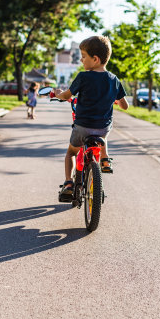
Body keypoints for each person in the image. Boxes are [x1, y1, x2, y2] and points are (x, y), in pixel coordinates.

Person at [54, 35, 129, 202]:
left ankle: (68, 184)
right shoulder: (114, 80)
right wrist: (115, 100)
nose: (81, 60)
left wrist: (59, 94)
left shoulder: (83, 77)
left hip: (82, 126)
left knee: (71, 153)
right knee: (104, 135)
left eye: (83, 56)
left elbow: (67, 95)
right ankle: (105, 160)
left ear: (95, 59)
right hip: (102, 128)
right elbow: (125, 106)